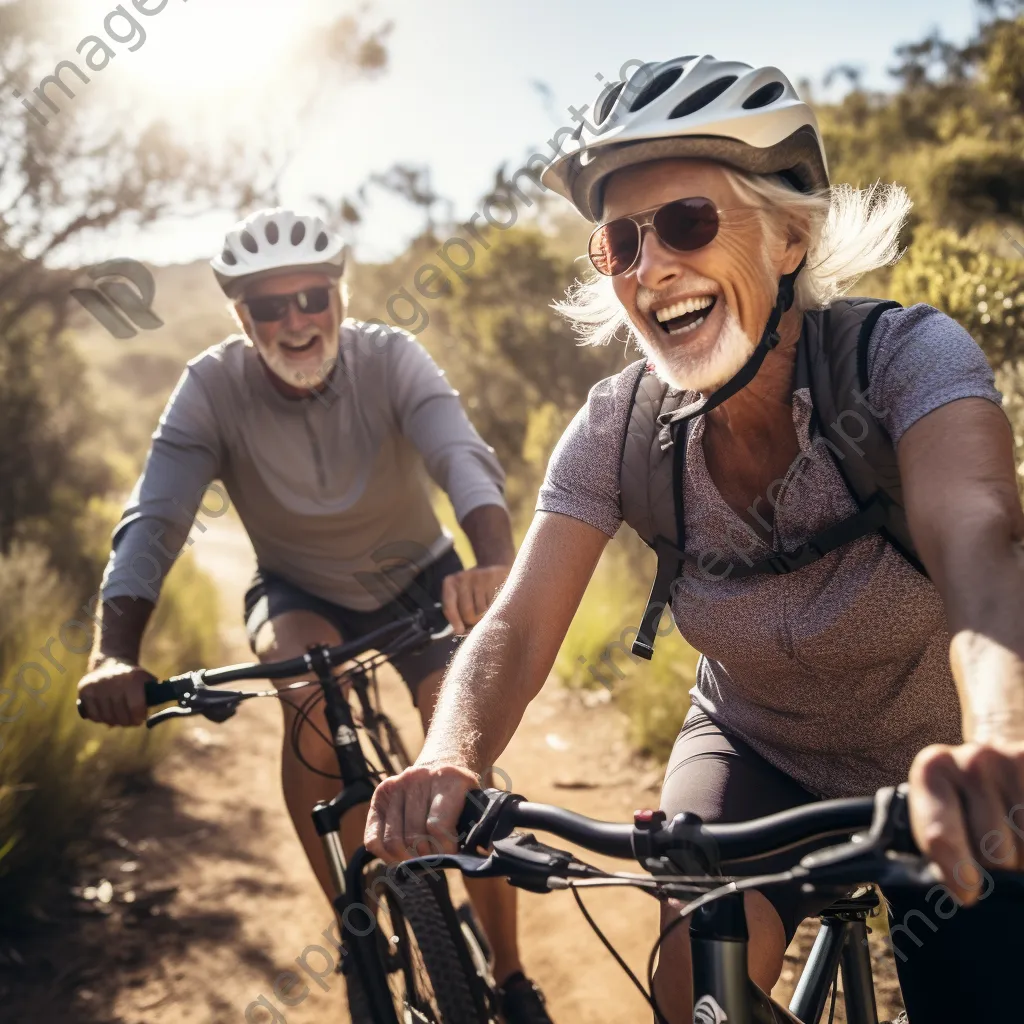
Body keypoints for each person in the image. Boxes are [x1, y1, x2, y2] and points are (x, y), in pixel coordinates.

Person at [364, 56, 1024, 1022]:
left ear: (791, 235)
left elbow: (981, 543)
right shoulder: (619, 428)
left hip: (955, 764)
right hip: (756, 752)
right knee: (696, 994)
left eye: (686, 222)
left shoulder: (905, 360)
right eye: (618, 242)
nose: (649, 267)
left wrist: (1000, 738)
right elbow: (514, 626)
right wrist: (450, 755)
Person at [76, 208, 553, 1023]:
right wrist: (112, 651)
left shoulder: (391, 356)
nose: (295, 319)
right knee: (302, 696)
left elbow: (459, 453)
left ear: (339, 295)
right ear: (242, 317)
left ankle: (509, 975)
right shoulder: (210, 386)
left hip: (422, 578)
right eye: (269, 306)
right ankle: (353, 918)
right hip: (297, 588)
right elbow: (154, 516)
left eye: (311, 296)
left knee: (457, 734)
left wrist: (492, 562)